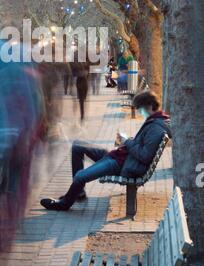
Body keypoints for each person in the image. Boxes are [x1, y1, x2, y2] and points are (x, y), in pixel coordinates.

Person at [40, 90, 171, 211]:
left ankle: (64, 204)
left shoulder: (156, 128)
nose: (138, 112)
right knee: (77, 147)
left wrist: (127, 142)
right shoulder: (155, 121)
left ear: (149, 106)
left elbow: (145, 155)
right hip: (120, 157)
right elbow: (142, 146)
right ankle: (78, 192)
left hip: (120, 164)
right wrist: (125, 141)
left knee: (80, 176)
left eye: (139, 109)